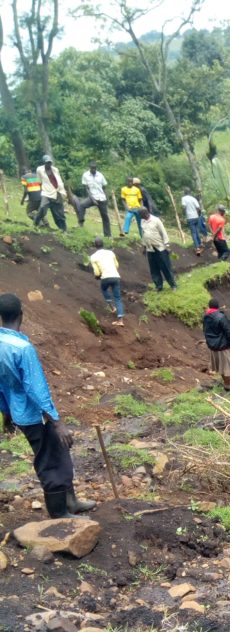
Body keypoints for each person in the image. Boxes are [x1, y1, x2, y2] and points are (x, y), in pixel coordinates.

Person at [0, 293, 95, 519]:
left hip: (19, 412)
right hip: (35, 416)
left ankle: (71, 501)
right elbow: (35, 388)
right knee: (51, 460)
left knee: (59, 453)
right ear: (21, 315)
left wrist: (6, 414)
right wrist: (57, 421)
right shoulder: (22, 348)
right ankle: (59, 513)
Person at [203, 299, 230, 391]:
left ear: (210, 306)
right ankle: (228, 385)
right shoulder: (220, 317)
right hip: (222, 345)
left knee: (221, 366)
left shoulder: (206, 316)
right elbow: (229, 332)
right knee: (226, 366)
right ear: (218, 307)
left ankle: (228, 382)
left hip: (213, 345)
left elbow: (205, 331)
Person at [139, 208, 177, 291]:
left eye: (141, 215)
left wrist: (167, 246)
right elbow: (144, 234)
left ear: (146, 213)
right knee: (154, 269)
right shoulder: (142, 221)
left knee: (166, 267)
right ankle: (158, 286)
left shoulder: (156, 220)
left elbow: (163, 233)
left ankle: (173, 285)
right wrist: (144, 247)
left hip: (160, 248)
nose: (140, 217)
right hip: (150, 249)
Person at [89, 238, 124, 327]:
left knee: (104, 289)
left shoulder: (93, 257)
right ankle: (120, 320)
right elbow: (117, 265)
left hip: (105, 277)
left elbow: (97, 272)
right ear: (103, 244)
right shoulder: (110, 253)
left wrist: (97, 276)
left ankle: (111, 307)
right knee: (118, 298)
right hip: (116, 276)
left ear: (95, 246)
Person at [34, 155, 67, 231]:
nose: (49, 164)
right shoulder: (40, 170)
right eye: (47, 163)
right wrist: (38, 192)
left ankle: (63, 229)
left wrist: (63, 192)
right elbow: (38, 182)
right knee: (42, 208)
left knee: (59, 213)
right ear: (44, 163)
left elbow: (59, 181)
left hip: (57, 192)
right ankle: (35, 223)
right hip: (46, 192)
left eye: (50, 162)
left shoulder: (55, 170)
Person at [78, 162, 111, 237]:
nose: (94, 169)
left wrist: (107, 199)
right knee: (82, 205)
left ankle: (108, 235)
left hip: (101, 197)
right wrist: (92, 199)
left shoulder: (100, 175)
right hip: (92, 197)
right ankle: (81, 222)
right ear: (90, 168)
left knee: (105, 216)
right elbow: (86, 189)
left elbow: (104, 187)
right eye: (92, 168)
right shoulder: (85, 175)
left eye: (95, 168)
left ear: (96, 168)